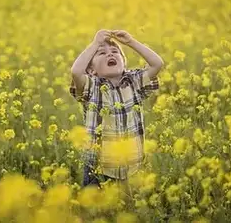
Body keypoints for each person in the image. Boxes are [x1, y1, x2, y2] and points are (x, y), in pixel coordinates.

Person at [70, 29, 164, 187]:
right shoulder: (92, 87)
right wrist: (95, 44)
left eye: (115, 51)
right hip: (98, 169)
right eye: (102, 53)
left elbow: (157, 64)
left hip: (132, 167)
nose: (110, 54)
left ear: (124, 63)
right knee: (96, 211)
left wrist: (131, 42)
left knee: (128, 210)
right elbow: (76, 71)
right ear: (92, 70)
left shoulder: (133, 82)